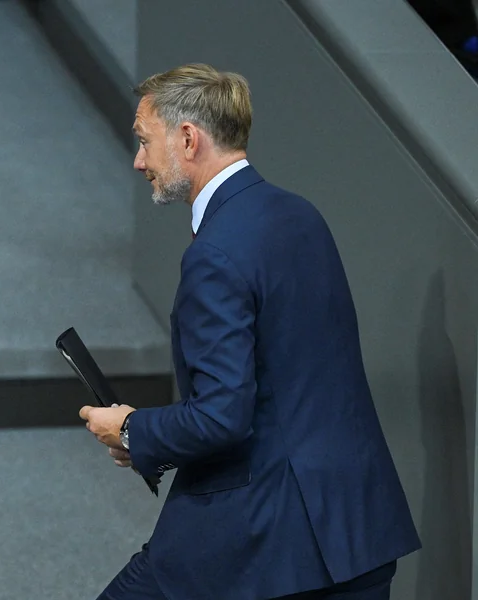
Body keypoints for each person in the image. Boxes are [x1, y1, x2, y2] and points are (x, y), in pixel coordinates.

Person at [78, 64, 421, 599]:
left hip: (260, 543)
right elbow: (285, 382)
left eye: (144, 141)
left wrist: (131, 429)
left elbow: (222, 417)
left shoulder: (214, 254)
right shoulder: (300, 215)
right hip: (355, 530)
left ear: (187, 138)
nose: (139, 160)